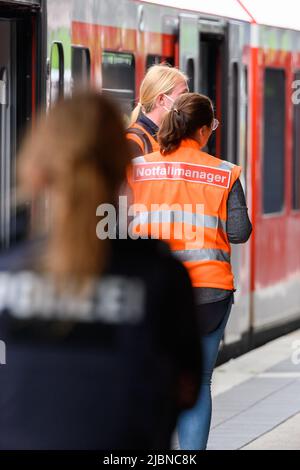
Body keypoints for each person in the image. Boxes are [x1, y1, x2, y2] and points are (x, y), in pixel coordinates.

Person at [0, 92, 201, 450]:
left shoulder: (8, 271)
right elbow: (186, 390)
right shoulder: (160, 278)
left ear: (37, 169)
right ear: (122, 164)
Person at [128, 92, 252, 450]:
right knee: (198, 381)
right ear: (200, 130)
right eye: (211, 126)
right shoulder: (224, 173)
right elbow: (239, 232)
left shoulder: (138, 169)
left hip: (152, 291)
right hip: (209, 294)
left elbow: (117, 224)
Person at [126, 64, 188, 157]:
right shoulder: (133, 141)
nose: (188, 101)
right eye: (182, 96)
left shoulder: (170, 137)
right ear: (161, 99)